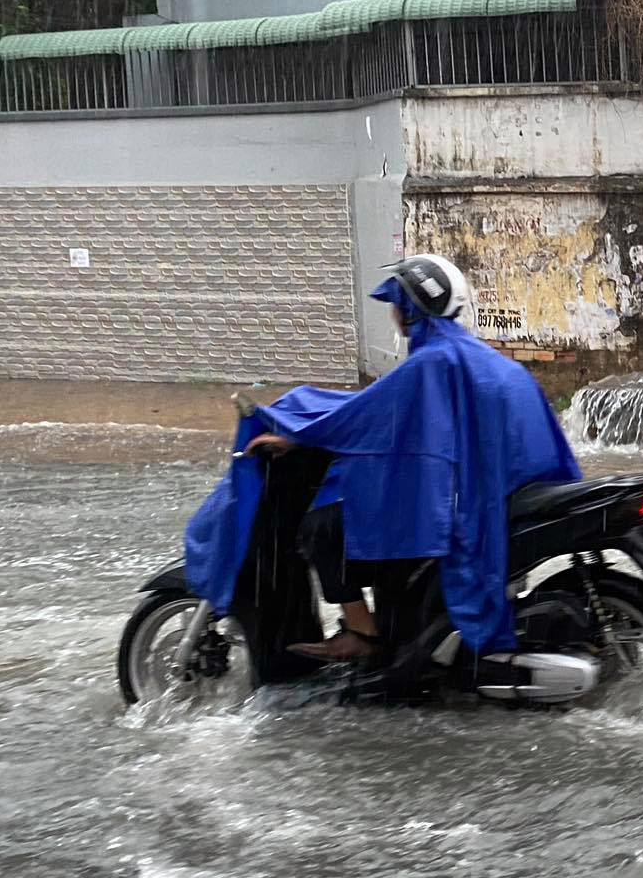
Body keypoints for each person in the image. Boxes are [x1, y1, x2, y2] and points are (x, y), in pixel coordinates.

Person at [196, 255, 582, 663]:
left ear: (410, 309)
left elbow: (366, 414)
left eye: (398, 303)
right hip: (504, 490)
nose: (394, 312)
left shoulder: (432, 362)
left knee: (320, 527)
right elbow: (390, 411)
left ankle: (363, 630)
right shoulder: (475, 358)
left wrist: (297, 432)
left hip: (466, 500)